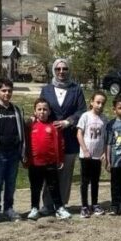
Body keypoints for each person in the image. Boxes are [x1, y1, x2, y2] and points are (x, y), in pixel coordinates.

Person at [38, 58, 85, 212]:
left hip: (69, 138)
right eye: (58, 69)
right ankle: (47, 204)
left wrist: (69, 121)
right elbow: (41, 108)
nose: (61, 72)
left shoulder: (76, 90)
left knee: (65, 174)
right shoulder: (46, 90)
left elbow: (81, 111)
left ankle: (61, 204)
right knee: (50, 172)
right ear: (54, 70)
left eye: (64, 69)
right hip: (50, 138)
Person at [0, 78, 25, 222]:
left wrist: (22, 151)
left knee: (11, 182)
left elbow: (21, 131)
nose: (7, 93)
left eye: (9, 91)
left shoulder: (16, 110)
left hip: (14, 153)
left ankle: (8, 208)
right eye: (3, 90)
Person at [26, 98, 69, 220]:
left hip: (50, 163)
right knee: (35, 187)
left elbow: (60, 144)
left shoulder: (54, 126)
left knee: (54, 186)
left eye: (45, 109)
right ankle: (34, 208)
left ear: (49, 111)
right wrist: (26, 158)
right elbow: (26, 143)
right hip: (34, 163)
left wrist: (60, 159)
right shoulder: (30, 126)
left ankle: (59, 208)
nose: (42, 112)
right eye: (39, 109)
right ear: (34, 111)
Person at [75, 91, 108, 218]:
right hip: (86, 155)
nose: (100, 105)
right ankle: (84, 206)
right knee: (85, 181)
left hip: (97, 156)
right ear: (92, 102)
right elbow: (79, 134)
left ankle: (94, 204)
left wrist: (104, 152)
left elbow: (105, 137)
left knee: (95, 181)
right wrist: (85, 149)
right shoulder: (85, 116)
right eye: (98, 102)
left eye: (102, 103)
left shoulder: (104, 119)